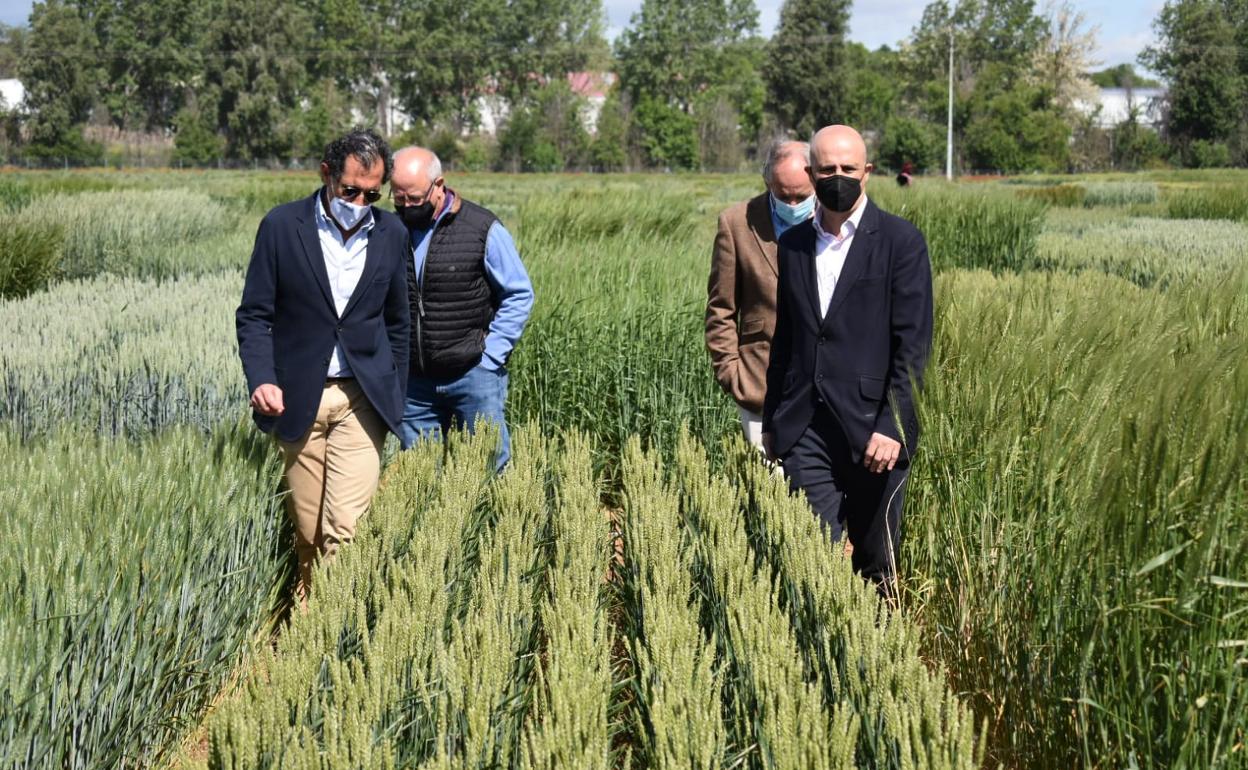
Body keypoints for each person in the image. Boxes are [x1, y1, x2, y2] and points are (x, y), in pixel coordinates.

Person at [237, 129, 410, 606]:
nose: (359, 201)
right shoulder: (281, 226)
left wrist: (394, 391)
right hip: (298, 397)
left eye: (372, 194)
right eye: (350, 190)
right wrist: (262, 378)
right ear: (326, 174)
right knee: (309, 530)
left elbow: (399, 321)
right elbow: (254, 316)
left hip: (361, 399)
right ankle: (308, 608)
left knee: (345, 530)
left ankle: (327, 631)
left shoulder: (391, 233)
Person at [762, 125, 933, 595]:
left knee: (877, 564)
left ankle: (874, 661)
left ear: (868, 173)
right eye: (828, 169)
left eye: (848, 169)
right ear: (811, 173)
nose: (838, 177)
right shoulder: (794, 245)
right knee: (814, 560)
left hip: (874, 434)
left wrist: (891, 425)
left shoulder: (901, 243)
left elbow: (913, 347)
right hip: (806, 428)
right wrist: (774, 419)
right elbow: (787, 338)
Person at [390, 146, 533, 470]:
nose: (406, 207)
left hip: (473, 375)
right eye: (398, 199)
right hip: (414, 384)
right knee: (419, 474)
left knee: (488, 467)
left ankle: (496, 522)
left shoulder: (482, 228)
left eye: (414, 198)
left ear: (438, 185)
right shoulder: (391, 230)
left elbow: (519, 294)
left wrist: (491, 357)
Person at [706, 140, 815, 448]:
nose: (793, 205)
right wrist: (731, 373)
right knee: (770, 487)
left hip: (822, 391)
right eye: (783, 195)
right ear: (767, 180)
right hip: (758, 386)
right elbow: (720, 309)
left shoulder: (833, 221)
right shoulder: (736, 223)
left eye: (802, 196)